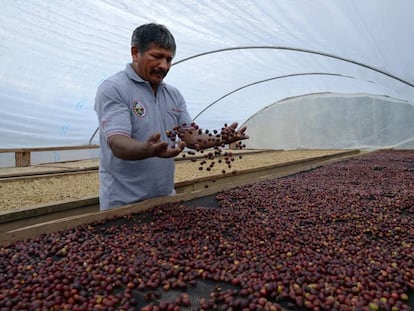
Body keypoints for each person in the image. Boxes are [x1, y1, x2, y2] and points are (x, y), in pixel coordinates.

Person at [94, 23, 248, 211]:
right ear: (135, 52)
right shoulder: (115, 88)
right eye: (157, 57)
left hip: (165, 200)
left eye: (169, 59)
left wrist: (221, 139)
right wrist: (148, 149)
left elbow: (191, 138)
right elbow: (117, 143)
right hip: (123, 205)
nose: (164, 66)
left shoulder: (173, 95)